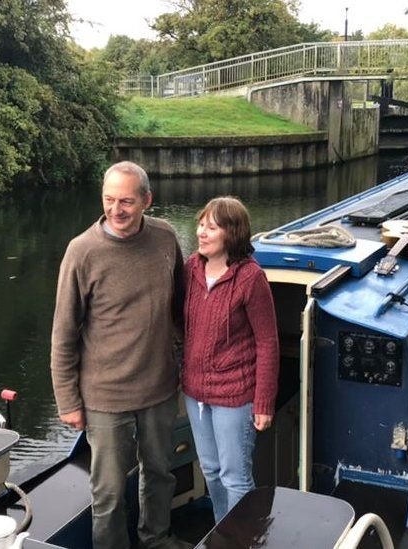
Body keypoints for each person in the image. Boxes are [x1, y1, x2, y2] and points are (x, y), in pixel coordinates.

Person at [50, 161, 186, 549]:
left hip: (159, 389)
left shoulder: (165, 237)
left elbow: (179, 307)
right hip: (105, 397)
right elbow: (62, 334)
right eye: (109, 200)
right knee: (108, 493)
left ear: (147, 200)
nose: (117, 210)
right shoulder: (82, 251)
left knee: (160, 473)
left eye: (126, 201)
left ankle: (156, 539)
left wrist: (183, 358)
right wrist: (68, 402)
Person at [181, 196, 279, 524]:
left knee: (234, 476)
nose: (201, 232)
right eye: (201, 225)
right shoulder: (192, 267)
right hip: (195, 393)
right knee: (209, 469)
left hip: (235, 396)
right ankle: (223, 532)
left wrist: (263, 402)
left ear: (232, 233)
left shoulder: (251, 278)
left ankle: (243, 538)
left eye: (211, 227)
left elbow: (267, 342)